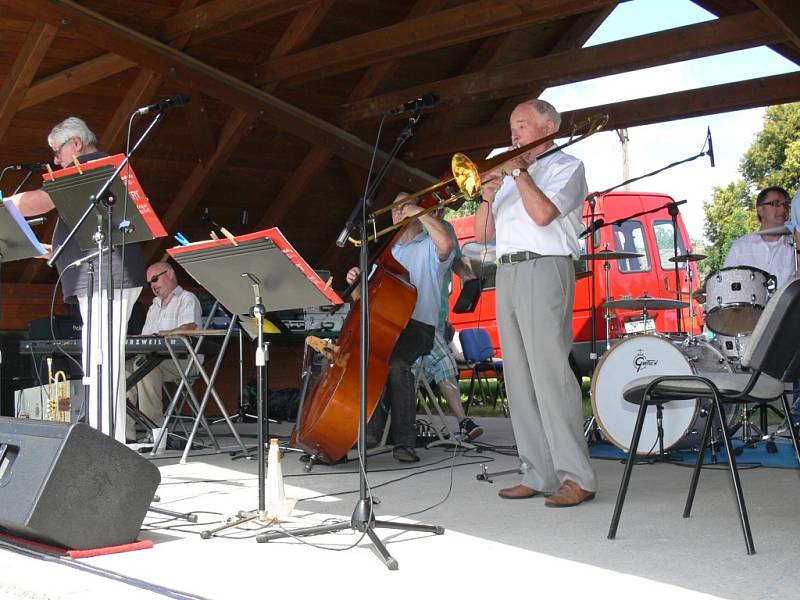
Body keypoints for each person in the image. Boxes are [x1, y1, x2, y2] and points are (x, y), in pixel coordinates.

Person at [474, 98, 596, 507]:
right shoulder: (511, 175)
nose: (513, 133)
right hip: (507, 271)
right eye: (512, 126)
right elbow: (483, 236)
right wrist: (488, 195)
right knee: (519, 378)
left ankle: (577, 476)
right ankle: (537, 471)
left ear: (547, 128)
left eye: (522, 125)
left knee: (550, 375)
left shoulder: (567, 167)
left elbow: (543, 215)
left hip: (545, 267)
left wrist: (518, 172)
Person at [9, 117, 145, 443]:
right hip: (98, 275)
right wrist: (42, 248)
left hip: (107, 276)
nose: (55, 160)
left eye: (57, 151)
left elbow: (39, 201)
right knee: (99, 360)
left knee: (102, 362)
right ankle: (104, 441)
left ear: (77, 144)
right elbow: (75, 241)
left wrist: (6, 204)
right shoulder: (85, 177)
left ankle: (106, 446)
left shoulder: (90, 165)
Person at [346, 192, 454, 462]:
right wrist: (356, 282)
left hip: (419, 328)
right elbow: (360, 298)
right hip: (386, 326)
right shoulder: (384, 254)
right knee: (355, 359)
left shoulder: (428, 245)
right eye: (395, 208)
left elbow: (447, 245)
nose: (398, 212)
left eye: (404, 206)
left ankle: (404, 442)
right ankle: (355, 434)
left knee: (396, 362)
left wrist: (421, 212)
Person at [413, 207, 482, 441]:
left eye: (444, 207)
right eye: (437, 206)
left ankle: (462, 422)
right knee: (432, 364)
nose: (442, 210)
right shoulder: (412, 227)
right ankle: (461, 421)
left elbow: (455, 261)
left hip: (438, 313)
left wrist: (466, 276)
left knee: (439, 365)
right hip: (413, 314)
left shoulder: (447, 228)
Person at [126, 262, 203, 442]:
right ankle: (125, 435)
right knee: (124, 371)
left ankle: (154, 433)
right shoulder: (154, 305)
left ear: (169, 273)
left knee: (145, 368)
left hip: (184, 360)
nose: (152, 285)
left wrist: (162, 335)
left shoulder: (187, 298)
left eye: (155, 279)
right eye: (149, 283)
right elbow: (146, 339)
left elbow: (189, 328)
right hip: (155, 358)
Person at [723, 186, 796, 288]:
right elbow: (724, 284)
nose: (783, 209)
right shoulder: (740, 247)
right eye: (776, 204)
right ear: (760, 210)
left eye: (785, 205)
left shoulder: (795, 248)